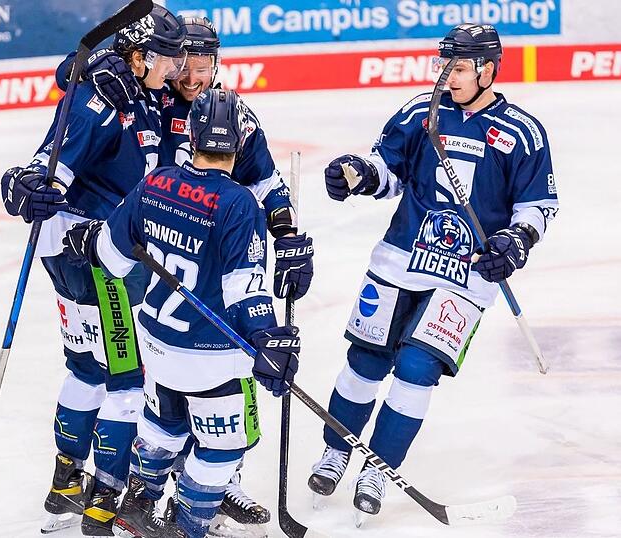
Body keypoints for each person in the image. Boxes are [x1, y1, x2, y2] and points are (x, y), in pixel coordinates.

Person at [57, 16, 313, 534]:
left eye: (205, 65)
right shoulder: (151, 100)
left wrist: (284, 230)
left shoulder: (228, 111)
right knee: (180, 390)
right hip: (168, 270)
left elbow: (263, 178)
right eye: (186, 66)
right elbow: (75, 81)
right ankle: (169, 490)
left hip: (192, 260)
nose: (195, 77)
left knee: (190, 396)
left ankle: (213, 486)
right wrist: (104, 64)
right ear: (170, 62)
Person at [307, 23, 558, 525]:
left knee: (418, 370)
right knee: (365, 361)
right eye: (443, 65)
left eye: (459, 67)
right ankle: (336, 451)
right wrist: (357, 173)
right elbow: (386, 169)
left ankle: (377, 467)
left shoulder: (522, 133)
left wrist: (515, 242)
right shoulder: (421, 112)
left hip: (466, 276)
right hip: (399, 259)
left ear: (489, 70)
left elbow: (537, 205)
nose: (447, 76)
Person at [0, 5, 186, 535]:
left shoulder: (128, 88)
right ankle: (105, 501)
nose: (176, 70)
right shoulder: (105, 99)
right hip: (98, 252)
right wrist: (31, 186)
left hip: (75, 250)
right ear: (140, 54)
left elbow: (70, 79)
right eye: (169, 59)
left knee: (86, 368)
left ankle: (64, 486)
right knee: (127, 379)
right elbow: (54, 164)